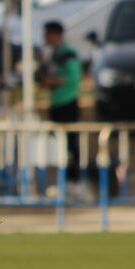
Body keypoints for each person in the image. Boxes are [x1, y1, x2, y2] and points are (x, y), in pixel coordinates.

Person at [38, 20, 82, 184]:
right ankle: (63, 179)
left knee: (70, 144)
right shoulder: (55, 53)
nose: (45, 37)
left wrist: (52, 81)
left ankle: (73, 180)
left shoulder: (67, 53)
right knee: (58, 145)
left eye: (47, 33)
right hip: (57, 103)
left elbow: (73, 77)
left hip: (67, 102)